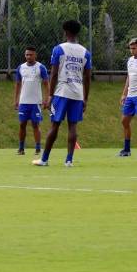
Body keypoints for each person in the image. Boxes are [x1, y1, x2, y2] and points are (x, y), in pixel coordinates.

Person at [34, 20, 91, 167]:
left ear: (65, 32)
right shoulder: (85, 52)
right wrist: (85, 98)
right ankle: (69, 160)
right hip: (77, 94)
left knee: (55, 125)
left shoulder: (59, 49)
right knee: (73, 126)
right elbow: (87, 77)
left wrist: (50, 95)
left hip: (61, 92)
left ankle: (44, 159)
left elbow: (53, 74)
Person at [13, 46, 47, 156]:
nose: (28, 56)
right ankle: (21, 148)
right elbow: (18, 84)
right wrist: (16, 100)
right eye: (27, 54)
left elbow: (47, 83)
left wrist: (47, 98)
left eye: (31, 54)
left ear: (35, 55)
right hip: (23, 102)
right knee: (22, 124)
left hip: (36, 102)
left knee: (35, 124)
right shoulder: (20, 68)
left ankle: (38, 148)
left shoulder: (41, 67)